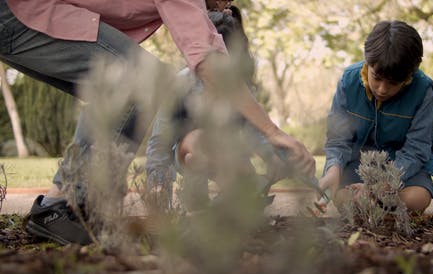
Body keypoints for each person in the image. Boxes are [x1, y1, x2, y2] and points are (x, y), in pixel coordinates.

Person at [0, 0, 315, 245]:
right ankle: (60, 205)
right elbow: (207, 61)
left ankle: (84, 208)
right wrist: (274, 132)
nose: (223, 5)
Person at [145, 7, 286, 211]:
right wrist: (158, 185)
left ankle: (236, 196)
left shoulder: (239, 88)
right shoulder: (180, 84)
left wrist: (272, 157)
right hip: (188, 150)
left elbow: (256, 130)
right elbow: (159, 141)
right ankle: (196, 192)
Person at [318, 20, 433, 214]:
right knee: (340, 195)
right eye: (376, 77)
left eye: (393, 82)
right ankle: (373, 201)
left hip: (402, 166)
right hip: (360, 162)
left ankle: (372, 200)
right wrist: (333, 170)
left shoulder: (423, 89)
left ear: (410, 74)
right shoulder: (348, 81)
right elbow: (337, 140)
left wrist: (383, 185)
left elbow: (417, 149)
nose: (382, 89)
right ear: (368, 63)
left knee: (418, 198)